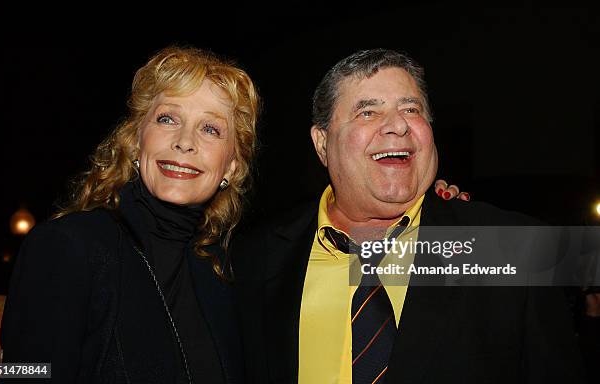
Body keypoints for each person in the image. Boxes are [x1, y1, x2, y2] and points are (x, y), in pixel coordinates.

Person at [234, 49, 586, 383]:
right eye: (367, 112)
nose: (398, 126)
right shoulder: (254, 259)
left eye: (411, 109)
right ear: (322, 144)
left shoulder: (511, 249)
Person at [0, 46, 259, 384]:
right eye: (168, 119)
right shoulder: (70, 246)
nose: (184, 141)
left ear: (232, 166)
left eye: (210, 128)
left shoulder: (223, 275)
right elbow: (29, 373)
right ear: (136, 142)